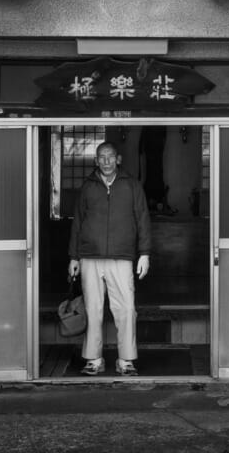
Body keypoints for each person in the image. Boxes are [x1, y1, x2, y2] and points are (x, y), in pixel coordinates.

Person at [67, 140, 152, 376]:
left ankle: (126, 360)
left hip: (122, 257)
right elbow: (78, 222)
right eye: (101, 157)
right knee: (93, 309)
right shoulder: (88, 187)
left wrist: (144, 254)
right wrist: (74, 257)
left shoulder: (132, 186)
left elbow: (143, 220)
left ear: (118, 159)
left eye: (110, 157)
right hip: (89, 256)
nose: (106, 161)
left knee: (126, 309)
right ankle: (94, 359)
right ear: (96, 161)